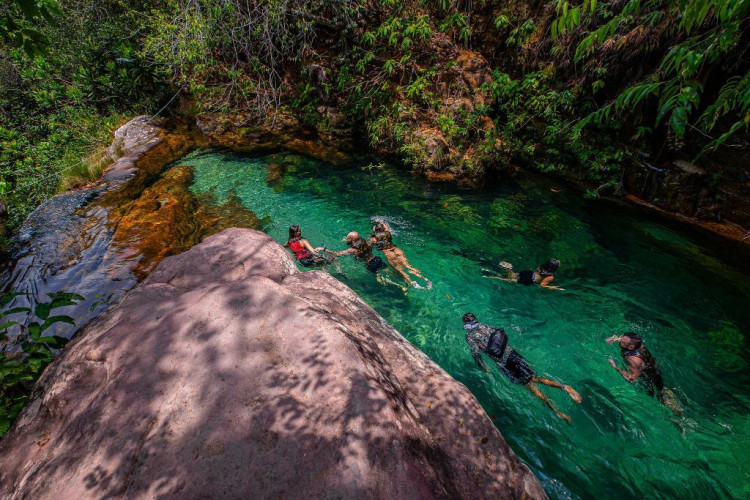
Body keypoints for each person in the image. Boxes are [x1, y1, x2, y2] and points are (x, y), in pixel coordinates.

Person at [463, 313, 581, 422]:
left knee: (530, 386)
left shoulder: (470, 336)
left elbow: (476, 354)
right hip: (513, 355)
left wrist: (483, 367)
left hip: (504, 364)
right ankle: (563, 387)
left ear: (466, 324)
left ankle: (557, 412)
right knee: (534, 378)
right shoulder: (486, 326)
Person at [605, 332, 682, 414]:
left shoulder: (632, 359)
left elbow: (632, 378)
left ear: (631, 347)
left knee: (664, 404)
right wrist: (615, 339)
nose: (620, 340)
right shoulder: (640, 346)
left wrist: (615, 366)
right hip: (656, 376)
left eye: (622, 341)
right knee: (663, 391)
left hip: (649, 384)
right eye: (621, 338)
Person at [370, 221, 432, 289]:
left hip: (389, 254)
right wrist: (379, 222)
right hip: (397, 250)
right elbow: (385, 226)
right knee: (409, 266)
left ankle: (413, 283)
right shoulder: (388, 233)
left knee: (401, 270)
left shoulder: (376, 238)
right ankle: (425, 279)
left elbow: (370, 242)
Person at [487, 258, 563, 290]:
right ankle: (490, 277)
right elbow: (541, 286)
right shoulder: (550, 277)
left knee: (514, 275)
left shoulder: (541, 266)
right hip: (530, 279)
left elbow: (537, 271)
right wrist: (554, 288)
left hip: (528, 272)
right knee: (508, 280)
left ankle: (510, 269)